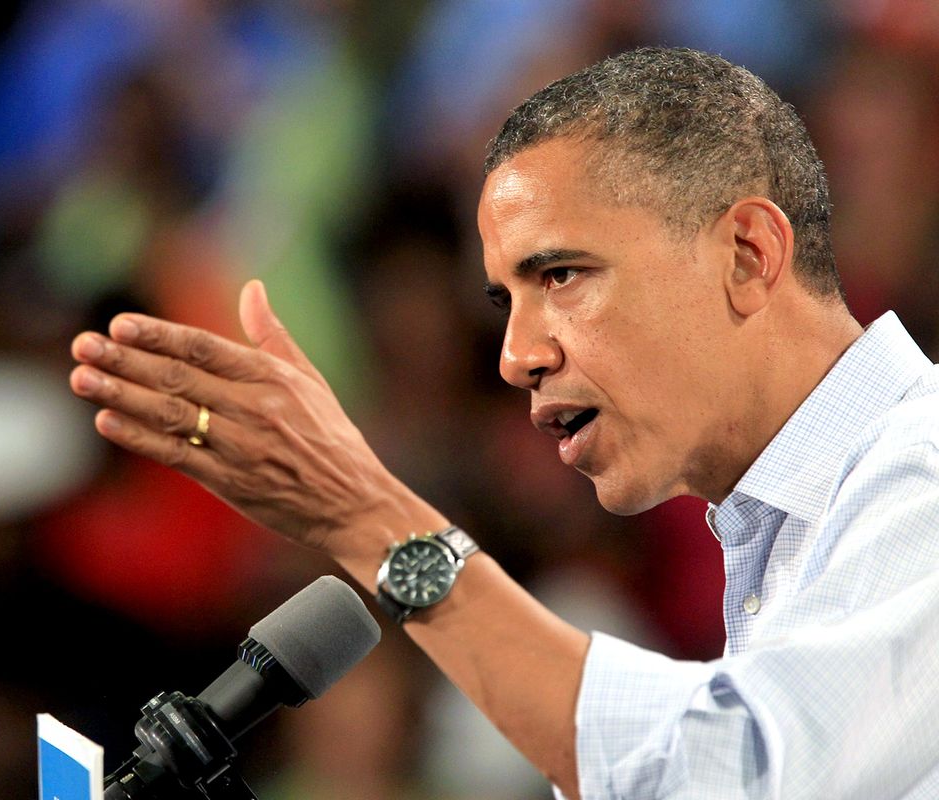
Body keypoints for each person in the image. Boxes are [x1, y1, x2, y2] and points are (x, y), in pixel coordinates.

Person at [68, 47, 939, 799]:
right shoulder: (789, 533)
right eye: (504, 301)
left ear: (748, 254)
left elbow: (724, 779)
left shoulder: (924, 466)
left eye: (560, 275)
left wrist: (368, 517)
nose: (516, 356)